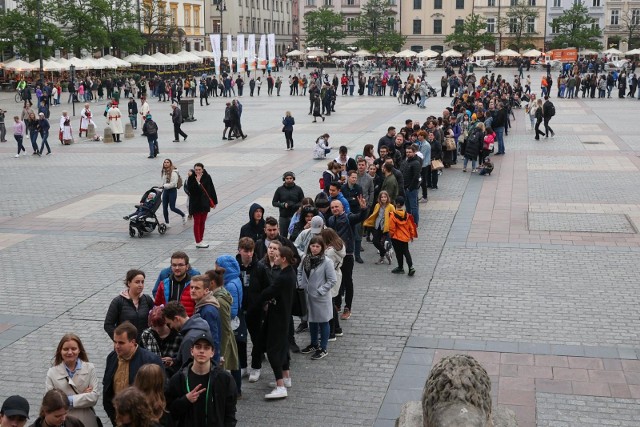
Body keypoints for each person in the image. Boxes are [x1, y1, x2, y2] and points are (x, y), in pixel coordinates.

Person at [166, 332, 237, 426]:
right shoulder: (178, 379)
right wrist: (185, 400)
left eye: (206, 348)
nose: (202, 351)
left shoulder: (224, 379)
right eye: (198, 347)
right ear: (192, 351)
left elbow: (230, 413)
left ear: (212, 353)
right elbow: (170, 411)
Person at [102, 322, 164, 425]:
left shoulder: (150, 360)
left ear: (132, 342)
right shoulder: (112, 357)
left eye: (121, 343)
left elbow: (161, 390)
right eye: (115, 342)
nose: (116, 346)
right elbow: (107, 385)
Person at [261, 246, 296, 399]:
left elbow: (270, 291)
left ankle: (280, 385)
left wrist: (259, 298)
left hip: (278, 318)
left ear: (284, 259)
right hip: (284, 316)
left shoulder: (283, 277)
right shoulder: (289, 272)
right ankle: (286, 377)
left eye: (277, 255)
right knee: (282, 347)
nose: (274, 257)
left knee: (273, 350)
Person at [327, 195, 368, 321]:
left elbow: (360, 217)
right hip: (334, 255)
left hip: (347, 254)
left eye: (336, 207)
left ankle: (347, 307)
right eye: (332, 207)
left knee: (347, 280)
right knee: (336, 280)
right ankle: (337, 303)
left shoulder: (348, 217)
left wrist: (364, 209)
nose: (334, 209)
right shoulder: (331, 220)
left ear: (342, 207)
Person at [45, 334, 100, 427]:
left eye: (74, 349)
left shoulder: (90, 368)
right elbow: (50, 402)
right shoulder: (52, 372)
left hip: (87, 421)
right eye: (66, 349)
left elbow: (94, 397)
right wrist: (82, 395)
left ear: (79, 350)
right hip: (63, 422)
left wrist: (65, 399)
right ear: (60, 351)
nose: (70, 352)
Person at [297, 236, 337, 360]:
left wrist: (320, 290)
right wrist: (300, 284)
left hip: (320, 297)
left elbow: (332, 280)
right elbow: (299, 272)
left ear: (322, 248)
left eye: (317, 246)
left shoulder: (327, 262)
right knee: (311, 320)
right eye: (312, 246)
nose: (314, 249)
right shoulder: (305, 258)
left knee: (324, 322)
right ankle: (314, 343)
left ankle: (323, 347)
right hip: (307, 296)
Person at [206, 262, 242, 394]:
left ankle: (235, 391)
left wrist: (220, 351)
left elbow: (225, 327)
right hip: (225, 338)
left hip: (223, 340)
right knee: (234, 363)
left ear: (212, 283)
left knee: (229, 366)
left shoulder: (219, 301)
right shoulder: (221, 293)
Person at [104, 269, 155, 340]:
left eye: (142, 282)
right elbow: (108, 325)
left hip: (144, 344)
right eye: (137, 282)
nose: (140, 285)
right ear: (129, 283)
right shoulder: (118, 301)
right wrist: (120, 340)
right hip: (126, 346)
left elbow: (155, 320)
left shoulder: (147, 299)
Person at [162, 301, 213, 369]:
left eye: (169, 324)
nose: (170, 327)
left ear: (177, 319)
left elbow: (187, 370)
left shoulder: (189, 339)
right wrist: (174, 360)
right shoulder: (202, 325)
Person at [139, 305, 183, 374]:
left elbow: (181, 360)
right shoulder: (146, 335)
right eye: (154, 326)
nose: (157, 329)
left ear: (167, 322)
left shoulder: (178, 336)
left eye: (161, 326)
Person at [186, 163, 218, 248]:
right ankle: (198, 241)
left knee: (203, 222)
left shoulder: (207, 176)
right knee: (197, 222)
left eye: (199, 169)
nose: (198, 171)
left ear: (203, 169)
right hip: (196, 203)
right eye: (196, 170)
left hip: (205, 203)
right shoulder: (191, 178)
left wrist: (214, 201)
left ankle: (201, 239)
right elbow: (191, 191)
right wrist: (197, 181)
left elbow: (211, 189)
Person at [154, 251, 196, 315]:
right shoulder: (163, 284)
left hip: (188, 323)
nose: (177, 268)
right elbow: (157, 306)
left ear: (187, 266)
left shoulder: (194, 285)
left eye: (180, 265)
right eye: (174, 265)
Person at [364, 191, 396, 265]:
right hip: (377, 226)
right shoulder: (377, 205)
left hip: (385, 227)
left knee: (382, 242)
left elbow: (394, 217)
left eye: (385, 197)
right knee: (375, 241)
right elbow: (375, 214)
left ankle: (382, 258)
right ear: (379, 198)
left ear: (387, 198)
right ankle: (385, 253)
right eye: (382, 197)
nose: (383, 199)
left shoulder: (391, 206)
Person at [388, 196, 418, 276]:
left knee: (398, 253)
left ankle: (400, 267)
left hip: (396, 238)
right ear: (403, 204)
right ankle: (411, 267)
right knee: (406, 252)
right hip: (405, 238)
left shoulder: (392, 215)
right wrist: (411, 235)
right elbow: (411, 226)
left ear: (395, 203)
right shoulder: (407, 215)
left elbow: (391, 228)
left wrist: (390, 235)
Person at [272, 171, 305, 237]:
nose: (289, 180)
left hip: (295, 216)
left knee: (295, 235)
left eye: (290, 178)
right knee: (283, 235)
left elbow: (303, 201)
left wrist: (296, 205)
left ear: (293, 179)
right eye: (287, 178)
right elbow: (274, 202)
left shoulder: (298, 189)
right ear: (284, 179)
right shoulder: (279, 189)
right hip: (283, 216)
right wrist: (282, 205)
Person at [400, 144, 422, 225]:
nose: (408, 153)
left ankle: (415, 222)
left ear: (414, 153)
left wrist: (410, 188)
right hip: (405, 188)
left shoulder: (416, 163)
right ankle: (409, 221)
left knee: (414, 207)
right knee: (408, 207)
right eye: (407, 152)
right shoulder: (406, 161)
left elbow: (416, 177)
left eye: (410, 152)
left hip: (411, 189)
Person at [160, 159, 186, 226]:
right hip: (165, 190)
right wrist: (162, 187)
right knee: (164, 207)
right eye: (165, 162)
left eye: (167, 162)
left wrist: (164, 186)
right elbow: (164, 181)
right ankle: (167, 222)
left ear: (170, 163)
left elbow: (173, 184)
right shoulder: (164, 171)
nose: (166, 163)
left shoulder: (174, 172)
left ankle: (183, 215)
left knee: (172, 208)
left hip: (172, 191)